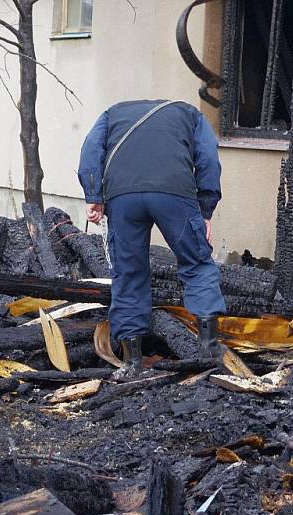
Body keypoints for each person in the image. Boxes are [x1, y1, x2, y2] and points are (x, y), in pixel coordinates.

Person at [78, 99, 226, 380]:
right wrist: (205, 208)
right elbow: (208, 157)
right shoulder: (189, 113)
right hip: (174, 193)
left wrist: (93, 195)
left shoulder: (111, 112)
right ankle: (208, 351)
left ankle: (133, 363)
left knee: (128, 272)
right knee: (196, 264)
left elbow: (90, 150)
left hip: (123, 198)